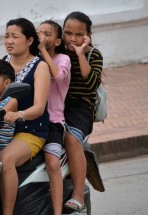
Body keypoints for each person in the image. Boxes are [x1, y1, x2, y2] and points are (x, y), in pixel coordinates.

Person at [0, 18, 51, 215]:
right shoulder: (3, 63)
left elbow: (39, 107)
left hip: (31, 130)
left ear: (29, 41)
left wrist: (19, 114)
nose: (9, 40)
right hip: (2, 128)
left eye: (14, 36)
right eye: (6, 36)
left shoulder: (40, 67)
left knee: (5, 159)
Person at [62, 11, 103, 213]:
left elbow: (90, 86)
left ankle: (78, 194)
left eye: (79, 34)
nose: (72, 38)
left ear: (88, 36)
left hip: (81, 107)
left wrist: (80, 55)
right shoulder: (57, 52)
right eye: (68, 33)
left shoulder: (93, 55)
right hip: (57, 105)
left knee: (70, 138)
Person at [36, 20, 71, 215]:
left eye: (47, 34)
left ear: (57, 41)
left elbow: (58, 76)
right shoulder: (31, 58)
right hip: (31, 121)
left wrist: (42, 52)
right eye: (39, 33)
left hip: (53, 122)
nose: (41, 36)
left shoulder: (62, 59)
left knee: (51, 162)